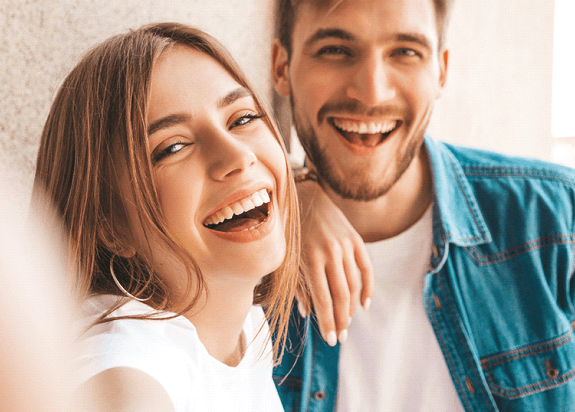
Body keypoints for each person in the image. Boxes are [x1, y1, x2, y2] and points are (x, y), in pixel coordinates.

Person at [270, 0, 575, 411]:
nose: (371, 92)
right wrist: (290, 195)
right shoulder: (246, 258)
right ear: (281, 67)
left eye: (405, 52)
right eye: (336, 50)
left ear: (441, 70)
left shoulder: (556, 220)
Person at [33, 22, 301, 412]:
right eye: (173, 147)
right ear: (111, 227)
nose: (238, 156)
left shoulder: (244, 324)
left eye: (242, 119)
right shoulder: (127, 370)